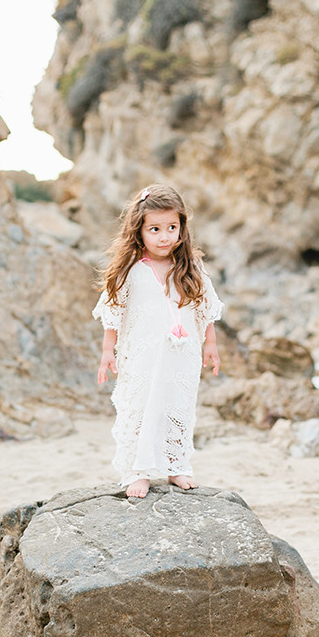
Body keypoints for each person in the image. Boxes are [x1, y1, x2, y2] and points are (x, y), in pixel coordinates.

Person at [93, 183, 223, 499]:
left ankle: (176, 464)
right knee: (140, 406)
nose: (164, 237)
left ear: (182, 228)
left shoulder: (191, 266)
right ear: (139, 231)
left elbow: (205, 309)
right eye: (155, 229)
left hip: (182, 353)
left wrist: (211, 345)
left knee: (176, 405)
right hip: (142, 353)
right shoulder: (129, 270)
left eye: (171, 228)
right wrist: (107, 350)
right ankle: (138, 471)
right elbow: (115, 311)